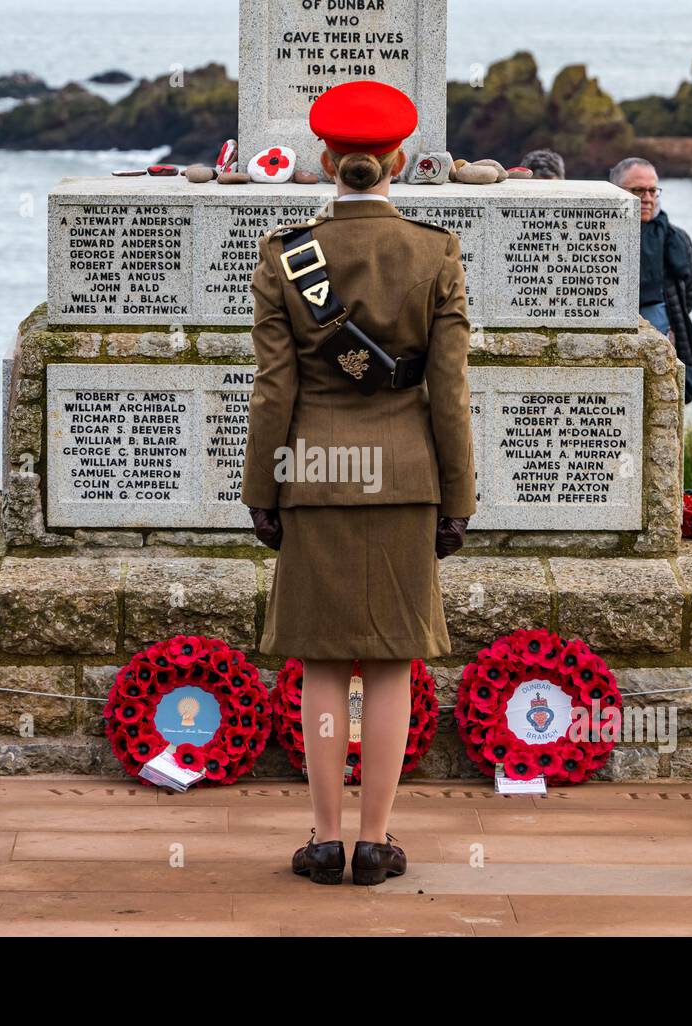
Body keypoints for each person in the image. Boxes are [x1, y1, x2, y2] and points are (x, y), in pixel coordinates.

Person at [241, 80, 476, 887]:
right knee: (389, 666)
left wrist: (261, 491)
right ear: (401, 159)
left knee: (319, 668)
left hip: (314, 476)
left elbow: (275, 391)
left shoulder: (286, 256)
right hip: (407, 479)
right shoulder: (436, 253)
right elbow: (448, 393)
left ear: (326, 160)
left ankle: (321, 838)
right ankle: (375, 840)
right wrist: (460, 499)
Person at [610, 157, 692, 402]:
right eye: (638, 190)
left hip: (665, 333)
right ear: (616, 190)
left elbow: (689, 290)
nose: (648, 198)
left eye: (652, 190)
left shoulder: (676, 238)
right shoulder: (602, 235)